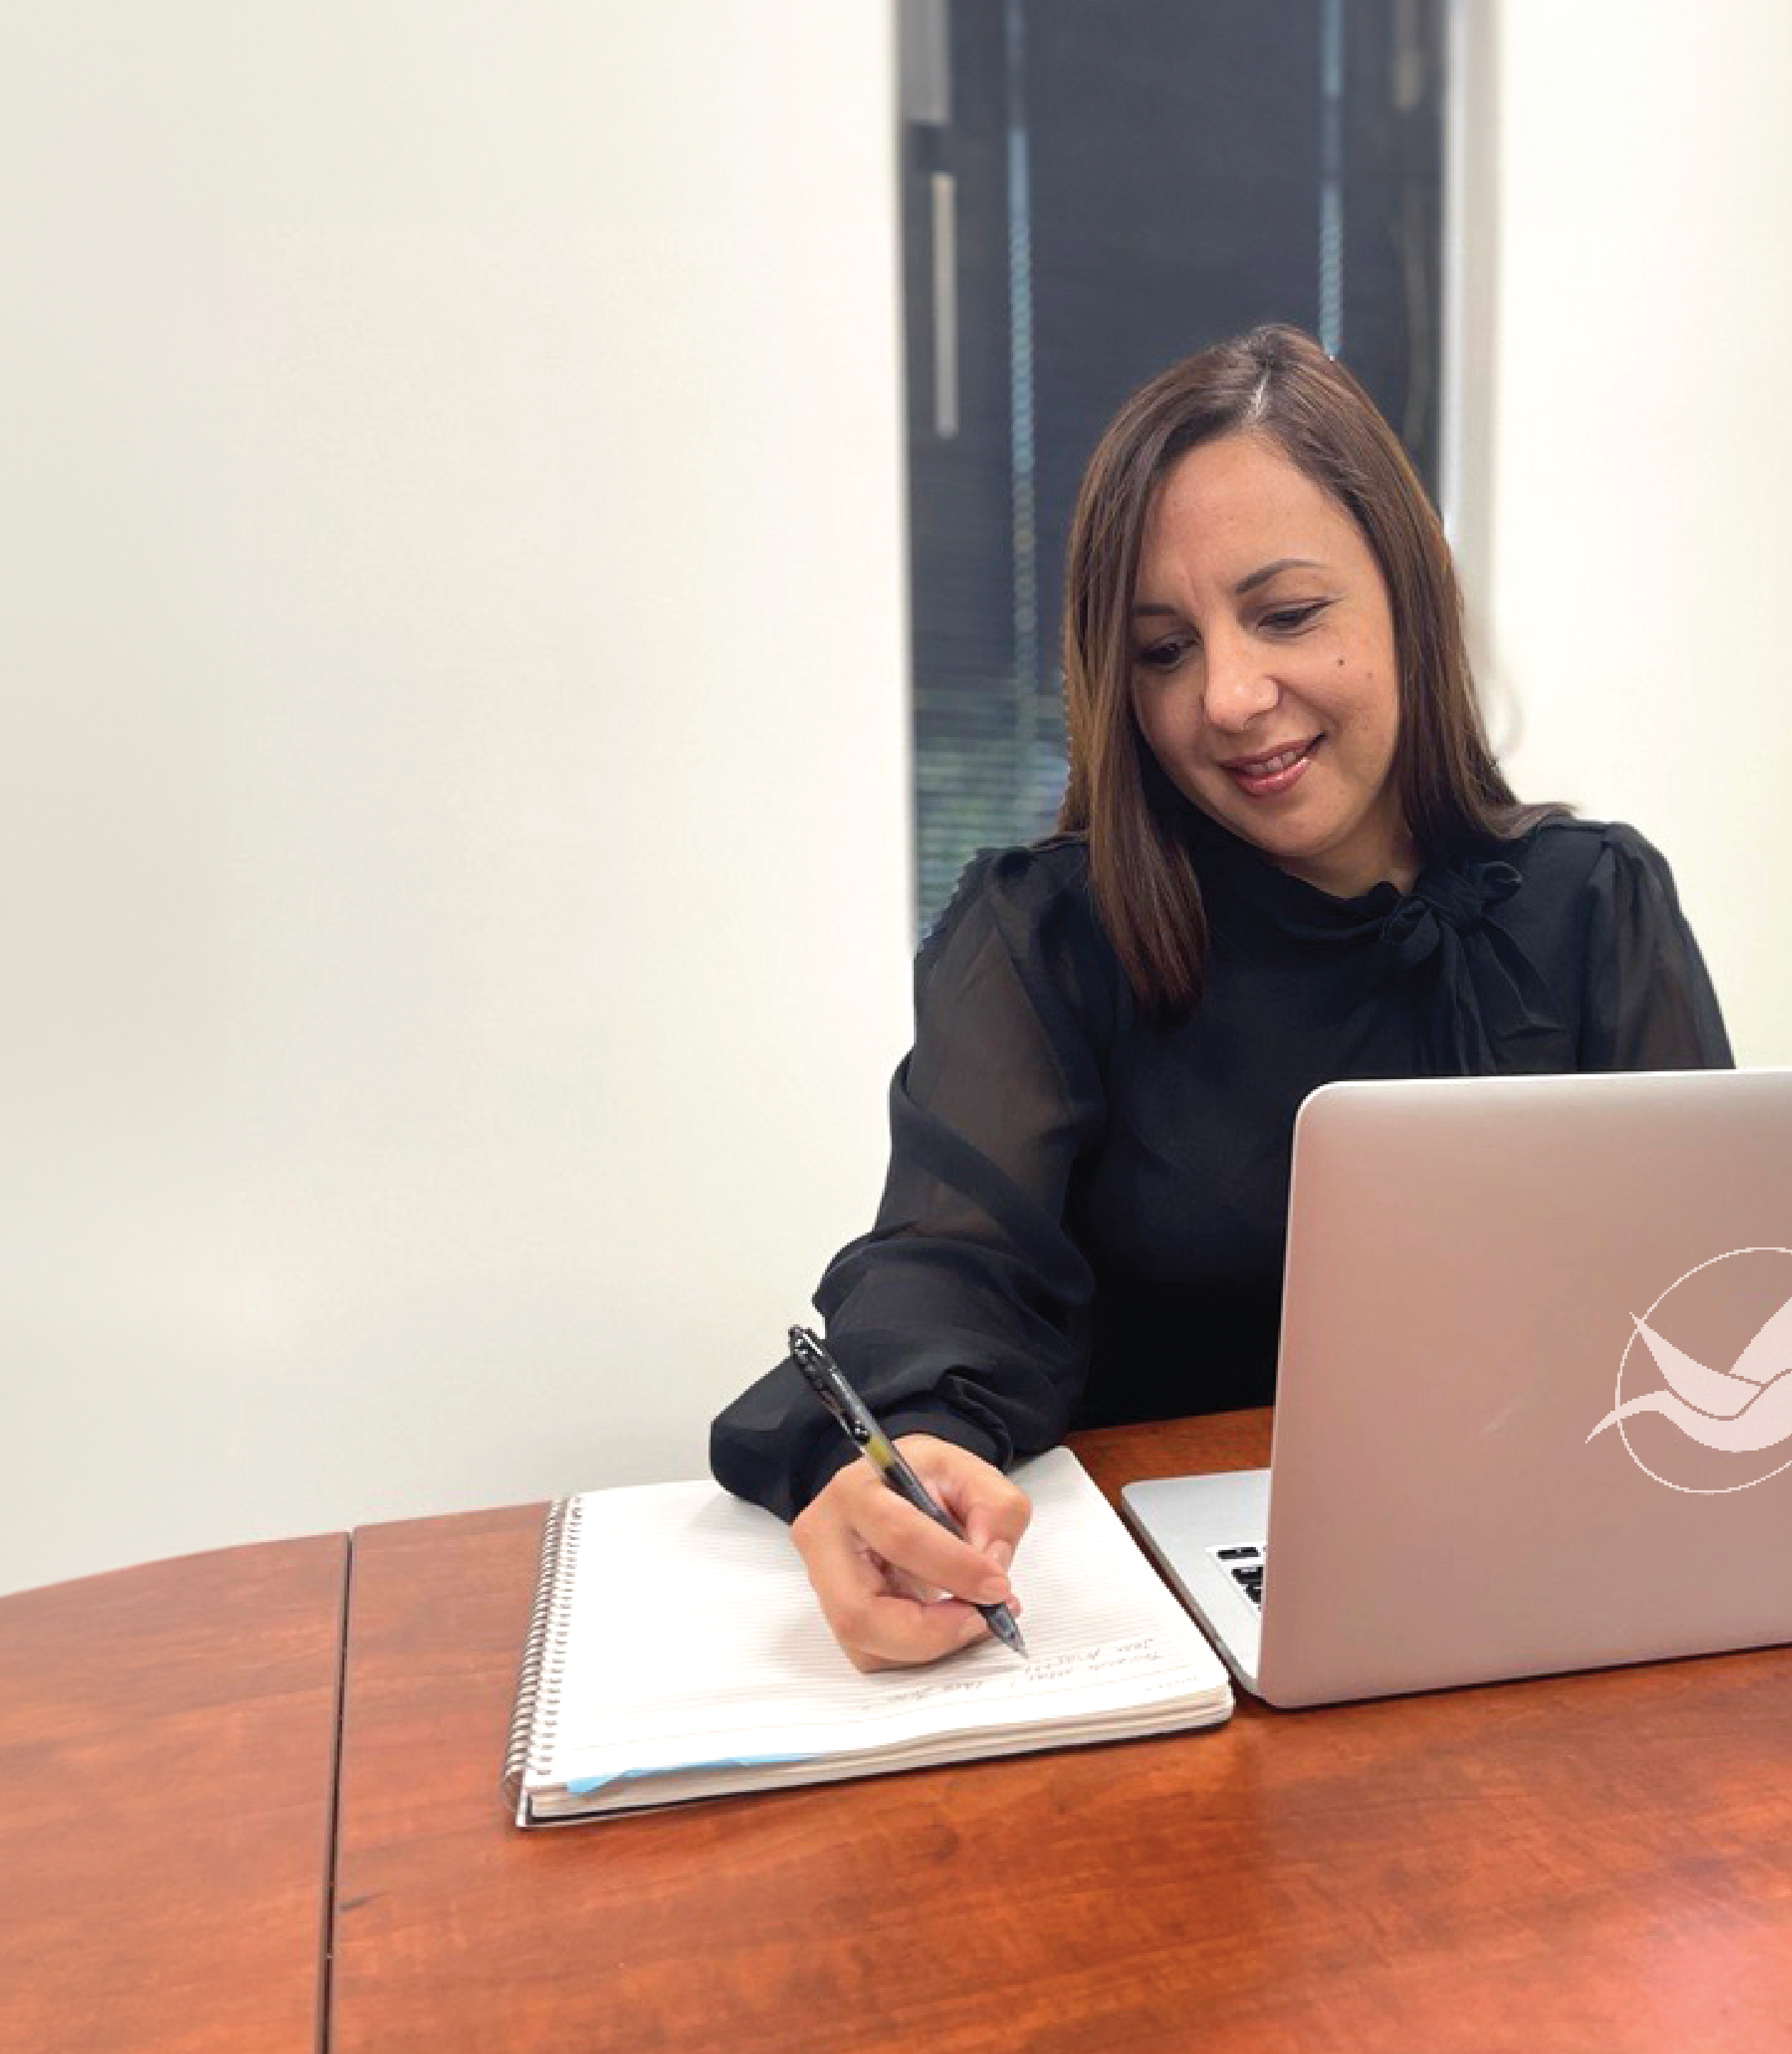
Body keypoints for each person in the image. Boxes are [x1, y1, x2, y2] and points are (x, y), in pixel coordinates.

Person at [711, 325, 1730, 1671]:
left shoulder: (1597, 903)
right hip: (1165, 1647)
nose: (1232, 698)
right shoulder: (1042, 935)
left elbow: (1708, 1280)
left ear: (1409, 598)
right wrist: (918, 1440)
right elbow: (955, 1266)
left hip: (1552, 1606)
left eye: (1289, 614)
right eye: (1162, 650)